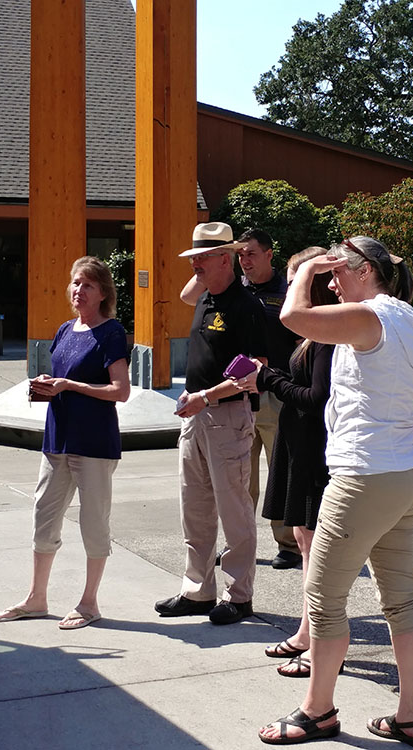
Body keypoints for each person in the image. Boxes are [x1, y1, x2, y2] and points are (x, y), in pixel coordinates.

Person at [258, 236, 413, 747]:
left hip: (363, 475)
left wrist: (306, 270)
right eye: (327, 274)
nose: (330, 282)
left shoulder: (369, 317)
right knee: (401, 599)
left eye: (338, 273)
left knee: (323, 597)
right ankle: (412, 717)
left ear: (364, 272)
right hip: (405, 472)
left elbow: (292, 317)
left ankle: (317, 711)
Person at [0, 256, 130, 629]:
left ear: (103, 292)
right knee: (44, 518)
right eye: (74, 283)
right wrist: (48, 386)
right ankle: (36, 598)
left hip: (94, 443)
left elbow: (121, 391)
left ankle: (89, 603)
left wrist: (70, 386)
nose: (78, 291)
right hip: (58, 439)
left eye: (86, 284)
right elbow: (63, 378)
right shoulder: (65, 330)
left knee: (93, 522)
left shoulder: (112, 332)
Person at [155, 222, 268, 625]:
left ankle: (238, 596)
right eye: (193, 259)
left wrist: (205, 397)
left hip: (227, 415)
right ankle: (197, 590)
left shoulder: (246, 305)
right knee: (196, 508)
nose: (195, 266)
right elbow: (189, 291)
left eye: (202, 258)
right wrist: (202, 270)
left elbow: (254, 369)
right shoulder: (205, 296)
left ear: (227, 259)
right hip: (196, 416)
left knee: (234, 509)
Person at [232, 247, 337, 677]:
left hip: (314, 452)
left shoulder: (328, 338)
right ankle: (306, 631)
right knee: (303, 539)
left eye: (295, 282)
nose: (287, 290)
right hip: (300, 448)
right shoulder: (311, 338)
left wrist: (267, 377)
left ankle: (320, 641)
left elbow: (317, 399)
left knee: (315, 550)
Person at [182, 228, 302, 569]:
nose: (245, 260)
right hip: (236, 396)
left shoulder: (287, 290)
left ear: (269, 254)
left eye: (251, 253)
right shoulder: (228, 291)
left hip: (276, 390)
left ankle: (289, 543)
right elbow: (186, 296)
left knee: (281, 471)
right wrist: (207, 265)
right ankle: (239, 541)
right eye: (241, 254)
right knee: (239, 478)